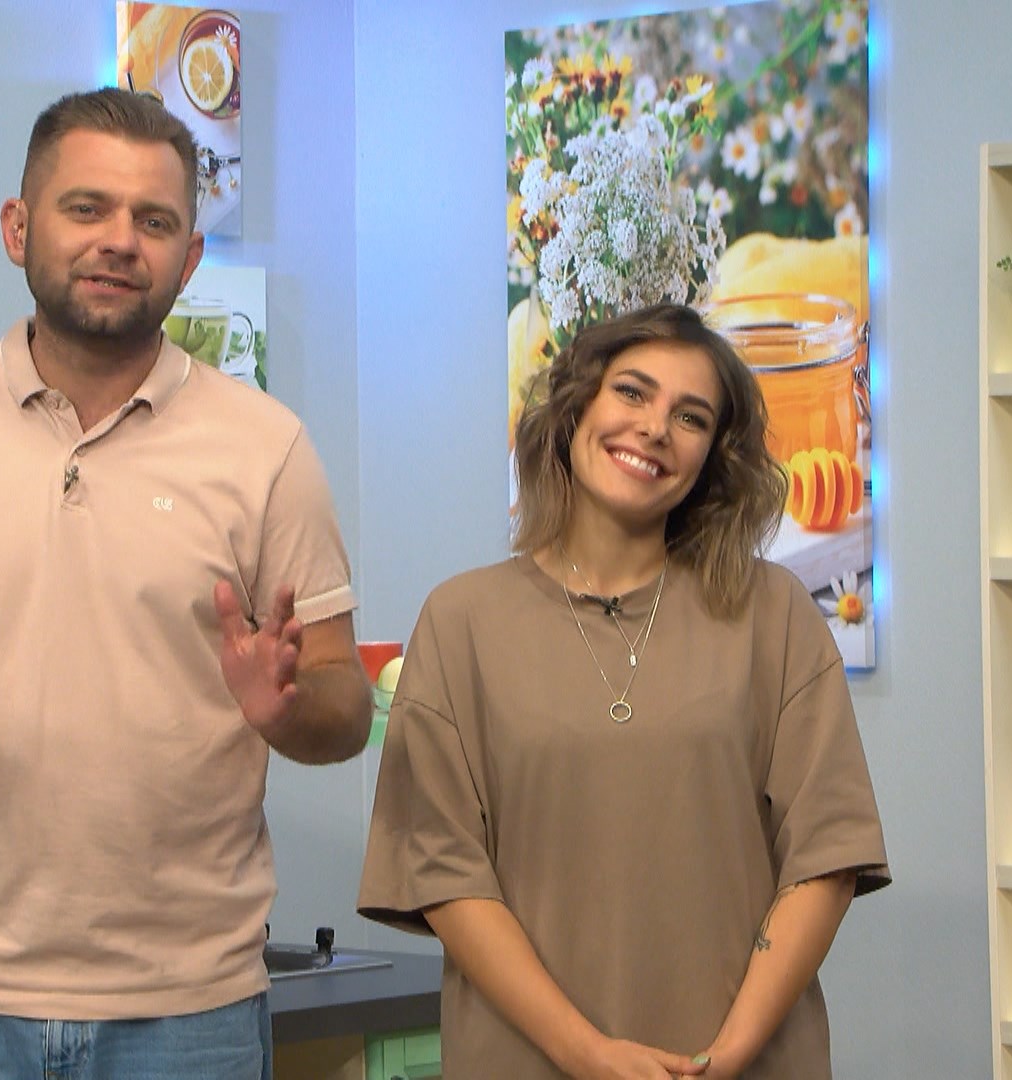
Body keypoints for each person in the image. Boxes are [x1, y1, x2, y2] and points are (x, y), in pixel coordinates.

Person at [0, 87, 372, 1079]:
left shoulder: (266, 446)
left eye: (155, 221)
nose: (119, 241)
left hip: (188, 1008)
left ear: (190, 258)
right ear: (19, 228)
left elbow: (344, 705)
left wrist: (290, 709)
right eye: (86, 208)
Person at [357, 303, 890, 1079]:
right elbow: (443, 872)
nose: (654, 428)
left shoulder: (774, 613)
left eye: (691, 417)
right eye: (632, 392)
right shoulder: (461, 620)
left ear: (712, 455)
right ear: (576, 407)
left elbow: (827, 859)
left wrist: (725, 1057)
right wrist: (589, 1055)